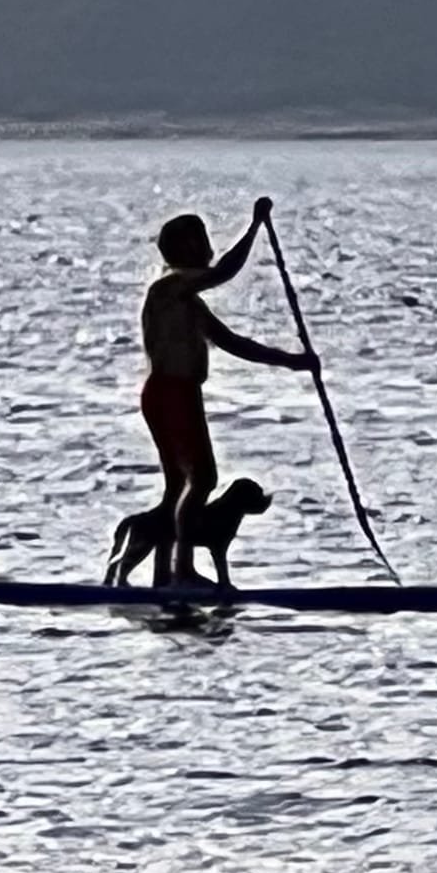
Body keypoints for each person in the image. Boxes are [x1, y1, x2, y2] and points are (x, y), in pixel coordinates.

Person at [140, 197, 318, 586]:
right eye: (202, 242)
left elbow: (234, 343)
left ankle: (164, 576)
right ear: (186, 249)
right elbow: (225, 271)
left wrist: (294, 361)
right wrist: (255, 226)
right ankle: (181, 571)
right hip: (168, 393)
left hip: (181, 394)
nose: (210, 249)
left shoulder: (191, 304)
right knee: (200, 480)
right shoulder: (168, 289)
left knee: (180, 486)